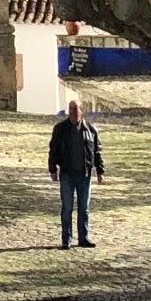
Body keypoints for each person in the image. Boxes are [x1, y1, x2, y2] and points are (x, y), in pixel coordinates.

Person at [48, 98, 104, 249]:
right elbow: (53, 150)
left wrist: (100, 170)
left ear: (81, 111)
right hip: (67, 174)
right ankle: (66, 239)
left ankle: (83, 238)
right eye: (70, 109)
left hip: (84, 174)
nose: (73, 111)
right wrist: (52, 169)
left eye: (75, 109)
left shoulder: (91, 130)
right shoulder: (60, 129)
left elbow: (96, 151)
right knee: (67, 208)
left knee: (84, 208)